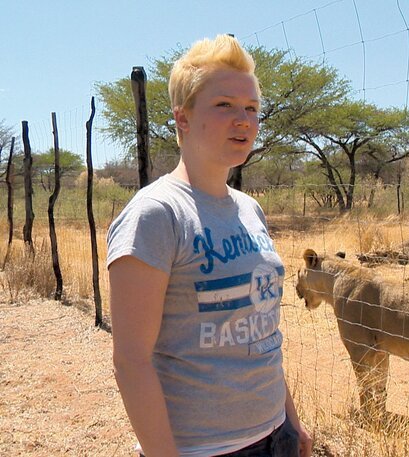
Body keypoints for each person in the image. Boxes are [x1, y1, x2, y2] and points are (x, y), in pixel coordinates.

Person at [107, 34, 312, 457]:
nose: (244, 120)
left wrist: (290, 422)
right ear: (182, 119)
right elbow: (131, 361)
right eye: (225, 105)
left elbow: (262, 330)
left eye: (252, 108)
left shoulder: (250, 210)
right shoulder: (156, 215)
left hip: (276, 435)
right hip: (205, 449)